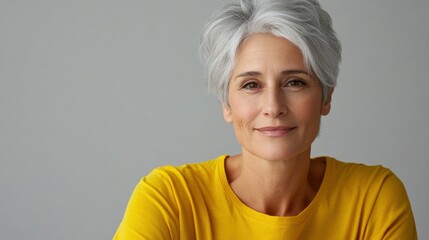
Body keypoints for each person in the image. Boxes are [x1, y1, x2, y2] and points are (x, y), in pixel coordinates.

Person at [113, 0, 417, 239]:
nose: (273, 106)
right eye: (250, 85)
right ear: (226, 104)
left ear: (326, 97)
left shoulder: (374, 199)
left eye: (294, 82)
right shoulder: (169, 200)